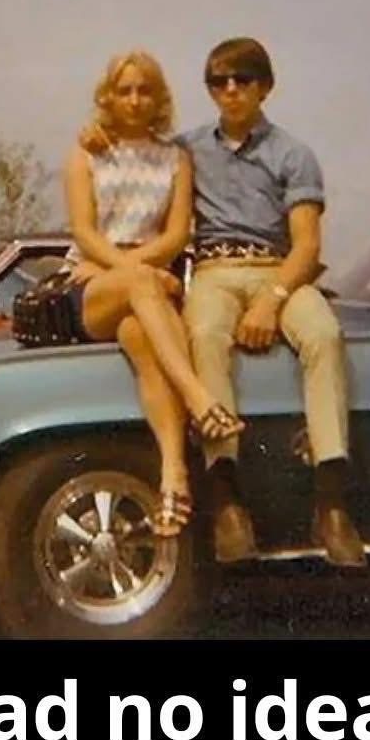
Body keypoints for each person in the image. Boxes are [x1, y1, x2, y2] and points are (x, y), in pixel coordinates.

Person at [179, 37, 366, 567]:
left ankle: (331, 504)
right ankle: (227, 503)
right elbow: (134, 155)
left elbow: (307, 246)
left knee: (325, 334)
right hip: (215, 270)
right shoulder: (186, 149)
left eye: (242, 80)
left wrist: (271, 301)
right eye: (219, 81)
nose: (230, 90)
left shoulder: (292, 153)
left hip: (278, 270)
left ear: (265, 87)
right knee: (205, 336)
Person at [65, 51, 244, 537]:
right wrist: (138, 273)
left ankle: (173, 474)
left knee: (140, 339)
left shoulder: (175, 158)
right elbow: (85, 233)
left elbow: (177, 234)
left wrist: (143, 274)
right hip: (94, 284)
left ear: (158, 97)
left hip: (145, 294)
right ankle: (199, 399)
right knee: (142, 289)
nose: (134, 100)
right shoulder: (86, 153)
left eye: (144, 90)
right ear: (108, 96)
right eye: (124, 90)